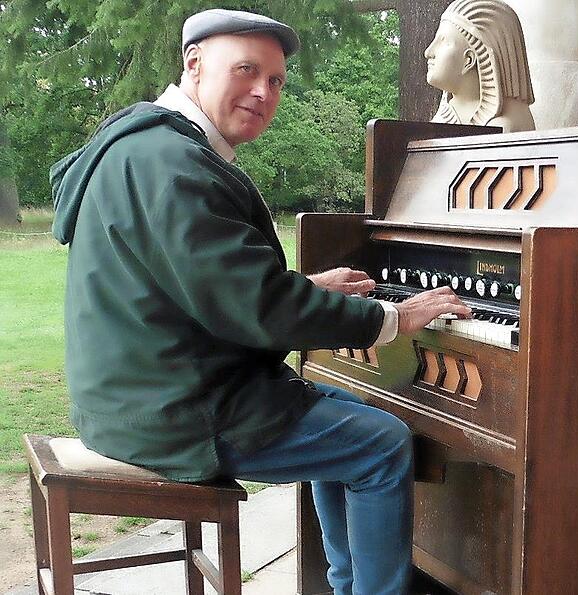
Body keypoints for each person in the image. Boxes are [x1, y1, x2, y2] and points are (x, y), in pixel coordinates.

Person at [49, 8, 471, 595]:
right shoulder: (170, 164)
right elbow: (257, 308)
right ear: (193, 65)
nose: (262, 92)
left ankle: (350, 585)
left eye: (275, 80)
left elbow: (208, 287)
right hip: (175, 412)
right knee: (381, 446)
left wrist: (308, 290)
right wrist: (394, 316)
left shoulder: (149, 149)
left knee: (343, 417)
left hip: (142, 392)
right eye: (246, 71)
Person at [425, 0, 536, 133]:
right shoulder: (439, 122)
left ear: (469, 60)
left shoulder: (507, 126)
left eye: (443, 42)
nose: (428, 52)